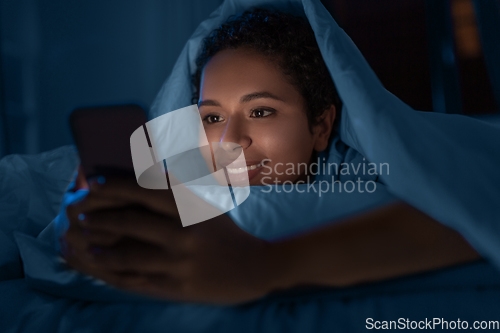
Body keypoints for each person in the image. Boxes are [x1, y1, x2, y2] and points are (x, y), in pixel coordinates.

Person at [62, 7, 481, 306]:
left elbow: (472, 207)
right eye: (211, 116)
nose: (230, 139)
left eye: (260, 111)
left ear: (320, 126)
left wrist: (262, 264)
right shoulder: (193, 174)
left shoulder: (369, 173)